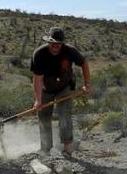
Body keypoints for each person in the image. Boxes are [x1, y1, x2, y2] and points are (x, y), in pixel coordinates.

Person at [30, 26, 91, 157]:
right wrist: (38, 100)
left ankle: (67, 147)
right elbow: (37, 79)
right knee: (43, 116)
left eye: (59, 43)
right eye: (53, 43)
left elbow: (84, 63)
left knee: (64, 114)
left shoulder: (70, 51)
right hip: (46, 88)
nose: (56, 46)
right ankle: (46, 149)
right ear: (48, 42)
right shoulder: (39, 54)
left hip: (64, 86)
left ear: (62, 43)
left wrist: (87, 84)